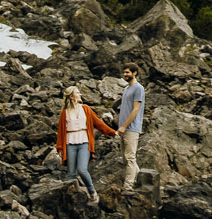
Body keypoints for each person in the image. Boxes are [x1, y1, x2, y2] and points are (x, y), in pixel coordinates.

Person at [54, 85, 116, 204]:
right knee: (71, 174)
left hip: (84, 143)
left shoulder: (86, 109)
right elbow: (61, 132)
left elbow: (98, 124)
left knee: (82, 170)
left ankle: (92, 193)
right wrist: (60, 148)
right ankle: (74, 201)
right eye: (77, 93)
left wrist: (113, 133)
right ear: (72, 97)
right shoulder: (64, 112)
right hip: (70, 143)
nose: (80, 94)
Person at [115, 64, 146, 192]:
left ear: (135, 73)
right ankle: (141, 179)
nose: (125, 75)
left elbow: (135, 110)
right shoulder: (127, 88)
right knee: (126, 158)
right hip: (123, 128)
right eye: (124, 72)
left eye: (127, 72)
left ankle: (128, 186)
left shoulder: (138, 88)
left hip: (132, 128)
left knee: (130, 157)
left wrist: (123, 126)